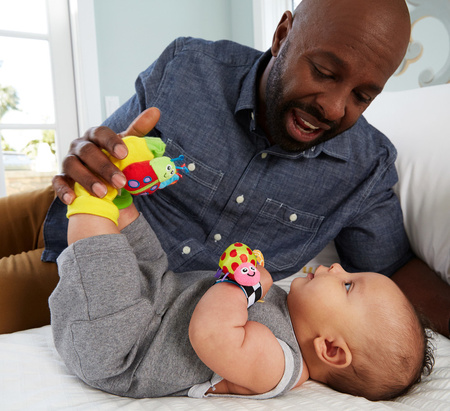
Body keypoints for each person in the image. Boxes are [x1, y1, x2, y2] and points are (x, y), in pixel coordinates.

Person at [1, 0, 449, 336]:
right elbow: (101, 157)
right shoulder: (188, 68)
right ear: (282, 35)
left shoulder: (364, 169)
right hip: (60, 201)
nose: (334, 107)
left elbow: (392, 270)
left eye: (362, 96)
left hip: (97, 269)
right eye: (325, 72)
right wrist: (89, 151)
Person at [49, 173, 433, 401]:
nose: (336, 266)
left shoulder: (280, 366)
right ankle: (116, 196)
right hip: (159, 298)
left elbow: (212, 332)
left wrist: (243, 287)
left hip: (121, 347)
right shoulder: (286, 309)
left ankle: (89, 203)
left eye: (348, 285)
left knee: (103, 252)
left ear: (330, 349)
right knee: (145, 251)